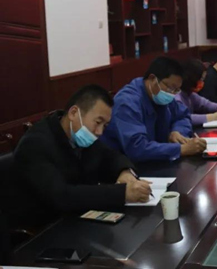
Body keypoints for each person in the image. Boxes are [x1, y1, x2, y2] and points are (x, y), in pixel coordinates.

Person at [12, 85, 151, 228]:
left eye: (105, 125)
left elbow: (109, 156)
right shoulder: (36, 144)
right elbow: (61, 196)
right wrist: (122, 193)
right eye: (98, 122)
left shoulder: (80, 135)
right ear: (73, 113)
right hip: (45, 228)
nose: (99, 132)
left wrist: (125, 172)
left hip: (78, 218)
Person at [101, 57, 207, 163]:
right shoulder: (127, 102)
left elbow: (183, 115)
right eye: (170, 88)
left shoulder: (163, 96)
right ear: (152, 79)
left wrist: (177, 132)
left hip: (156, 161)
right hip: (124, 165)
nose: (172, 94)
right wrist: (181, 149)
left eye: (176, 90)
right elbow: (137, 148)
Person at [175, 59, 217, 127]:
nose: (202, 83)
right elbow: (185, 118)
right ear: (191, 78)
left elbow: (206, 104)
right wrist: (214, 117)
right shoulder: (177, 97)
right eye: (201, 79)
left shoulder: (190, 94)